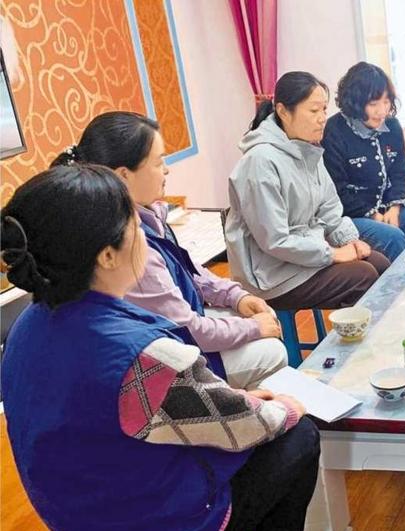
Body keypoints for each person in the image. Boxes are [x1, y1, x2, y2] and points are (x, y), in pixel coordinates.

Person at [1, 165, 318, 531]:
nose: (144, 236)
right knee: (298, 435)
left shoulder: (28, 325)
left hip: (83, 530)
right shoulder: (140, 357)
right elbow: (248, 427)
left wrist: (236, 400)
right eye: (135, 224)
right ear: (106, 256)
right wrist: (285, 407)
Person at [51, 112, 286, 390]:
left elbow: (189, 270)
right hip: (167, 354)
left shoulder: (148, 214)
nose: (167, 170)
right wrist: (254, 328)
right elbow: (185, 329)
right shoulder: (130, 243)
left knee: (253, 321)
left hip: (173, 331)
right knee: (270, 348)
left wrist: (236, 296)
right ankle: (240, 405)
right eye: (159, 161)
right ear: (124, 175)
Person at [228, 71, 390, 311]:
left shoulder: (307, 150)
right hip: (271, 276)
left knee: (380, 264)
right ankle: (355, 335)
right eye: (314, 111)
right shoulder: (260, 162)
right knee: (363, 276)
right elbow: (276, 241)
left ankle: (379, 331)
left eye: (324, 109)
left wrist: (350, 241)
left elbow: (329, 209)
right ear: (283, 112)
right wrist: (332, 254)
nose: (322, 118)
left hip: (304, 258)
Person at [322, 62, 405, 260]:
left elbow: (400, 172)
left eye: (386, 102)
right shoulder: (334, 131)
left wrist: (395, 207)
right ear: (355, 103)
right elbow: (337, 191)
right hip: (351, 217)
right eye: (373, 104)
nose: (382, 111)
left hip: (387, 208)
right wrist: (373, 215)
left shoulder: (392, 125)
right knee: (394, 238)